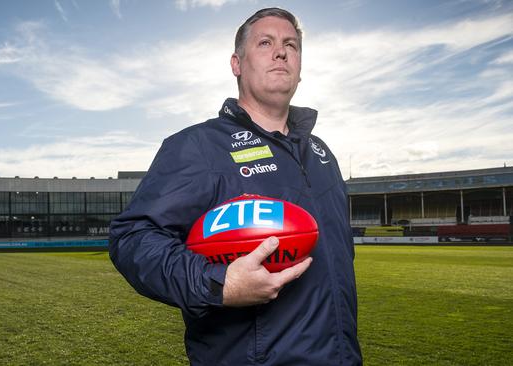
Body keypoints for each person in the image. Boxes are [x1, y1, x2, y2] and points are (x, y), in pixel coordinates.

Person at [110, 7, 362, 365]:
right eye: (265, 42)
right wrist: (218, 284)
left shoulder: (322, 154)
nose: (281, 51)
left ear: (300, 66)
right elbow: (132, 238)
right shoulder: (199, 147)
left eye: (291, 44)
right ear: (237, 64)